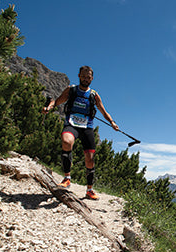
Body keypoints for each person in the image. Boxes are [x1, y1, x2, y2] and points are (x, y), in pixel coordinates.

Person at [42, 66, 119, 200]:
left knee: (90, 160)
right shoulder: (71, 90)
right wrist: (48, 107)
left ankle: (89, 190)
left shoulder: (94, 95)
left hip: (87, 127)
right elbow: (57, 101)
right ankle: (67, 178)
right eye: (83, 76)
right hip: (72, 124)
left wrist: (112, 122)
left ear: (92, 78)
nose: (86, 79)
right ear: (79, 76)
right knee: (66, 141)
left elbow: (103, 111)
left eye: (88, 77)